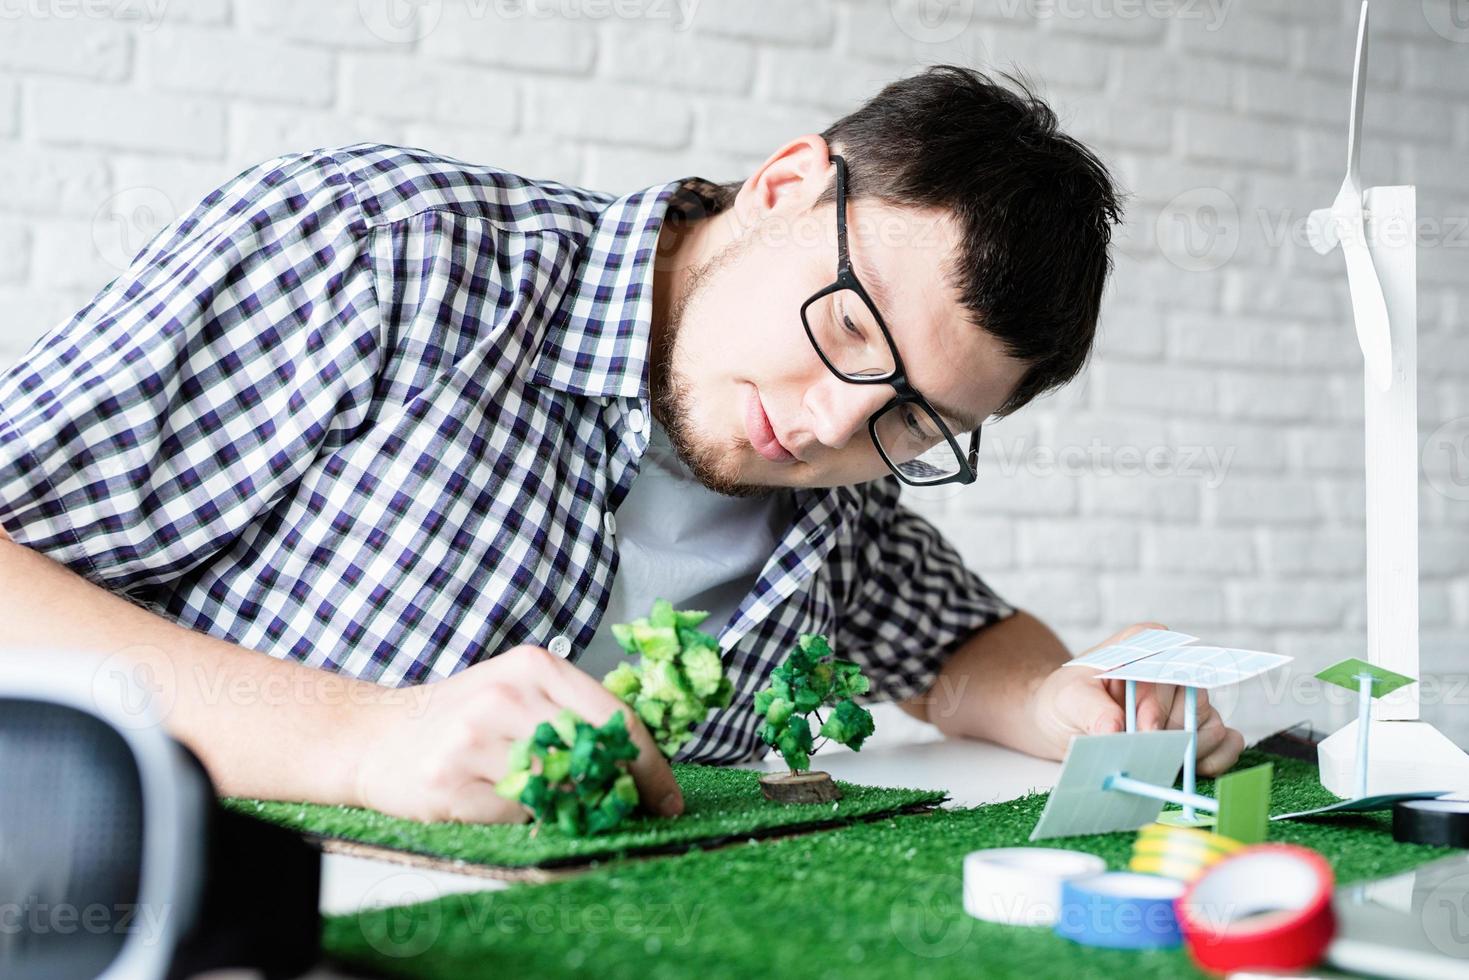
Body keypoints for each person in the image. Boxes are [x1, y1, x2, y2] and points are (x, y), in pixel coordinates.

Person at [0, 65, 1243, 825]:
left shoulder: (831, 497)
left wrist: (1049, 695)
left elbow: (957, 648)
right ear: (779, 188)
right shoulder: (377, 247)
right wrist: (359, 738)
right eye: (846, 324)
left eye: (915, 419)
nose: (826, 424)